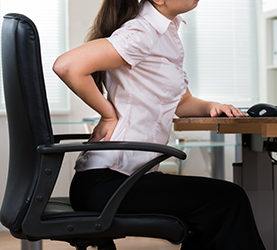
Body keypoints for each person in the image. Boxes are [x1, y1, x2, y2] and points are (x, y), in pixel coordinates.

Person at [53, 0, 266, 249]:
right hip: (110, 183)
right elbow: (67, 66)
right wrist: (108, 115)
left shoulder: (166, 32)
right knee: (229, 199)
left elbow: (181, 102)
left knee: (210, 212)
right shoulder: (142, 31)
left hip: (120, 180)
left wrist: (210, 106)